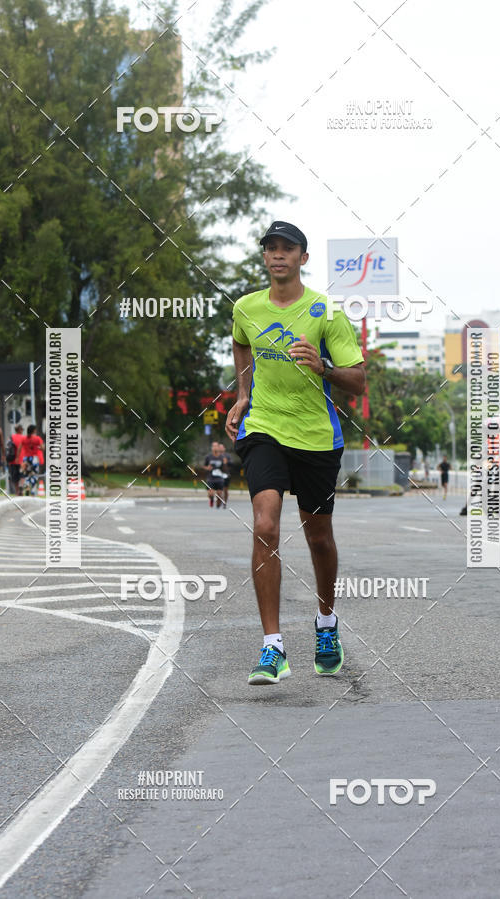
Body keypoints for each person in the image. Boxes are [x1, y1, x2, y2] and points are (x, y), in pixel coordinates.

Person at [225, 220, 366, 685]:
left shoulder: (325, 312)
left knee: (318, 537)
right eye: (271, 248)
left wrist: (323, 367)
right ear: (264, 257)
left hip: (316, 436)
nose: (278, 255)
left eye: (288, 248)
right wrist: (243, 396)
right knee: (265, 524)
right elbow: (241, 344)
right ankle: (273, 648)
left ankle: (326, 626)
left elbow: (357, 378)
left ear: (303, 258)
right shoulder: (246, 308)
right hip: (264, 428)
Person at [16, 424, 45, 496]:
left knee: (26, 474)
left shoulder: (24, 439)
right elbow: (43, 448)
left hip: (26, 459)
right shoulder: (37, 438)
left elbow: (19, 449)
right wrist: (38, 447)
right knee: (34, 475)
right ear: (33, 430)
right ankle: (32, 491)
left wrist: (17, 457)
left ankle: (27, 485)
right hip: (34, 459)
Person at [204, 441, 227, 508]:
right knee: (210, 494)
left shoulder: (222, 457)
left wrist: (225, 463)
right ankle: (211, 499)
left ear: (218, 447)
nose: (215, 448)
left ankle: (218, 503)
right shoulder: (208, 457)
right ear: (212, 448)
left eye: (216, 446)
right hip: (210, 478)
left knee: (219, 494)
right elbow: (204, 466)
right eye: (213, 446)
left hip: (219, 478)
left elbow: (225, 469)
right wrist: (207, 468)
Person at [7, 424, 25, 495]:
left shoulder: (11, 437)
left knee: (14, 477)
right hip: (22, 461)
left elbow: (8, 447)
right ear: (20, 430)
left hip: (12, 460)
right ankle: (21, 488)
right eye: (22, 429)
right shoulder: (24, 437)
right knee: (22, 475)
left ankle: (17, 491)